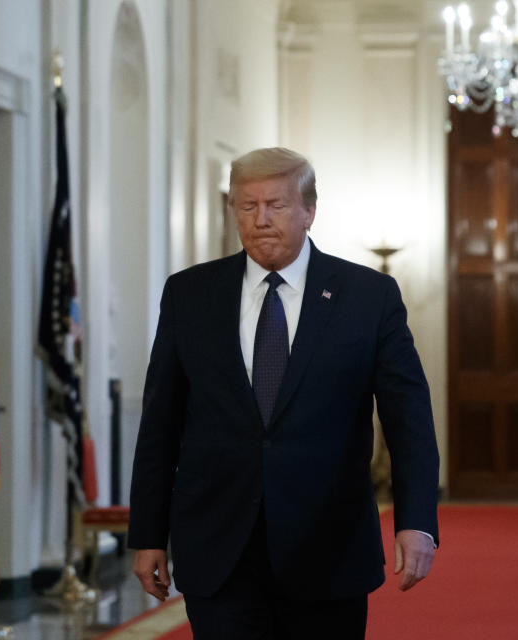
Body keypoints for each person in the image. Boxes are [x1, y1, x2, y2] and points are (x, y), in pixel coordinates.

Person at [128, 147, 439, 639]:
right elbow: (160, 423)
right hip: (219, 548)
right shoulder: (189, 294)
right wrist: (147, 534)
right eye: (247, 207)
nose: (261, 220)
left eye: (276, 204)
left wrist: (416, 520)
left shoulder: (368, 297)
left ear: (309, 211)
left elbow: (409, 420)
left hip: (328, 549)